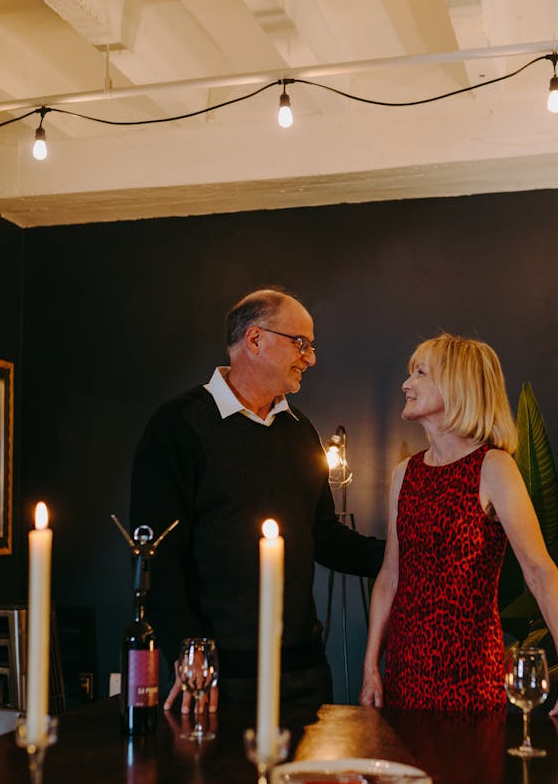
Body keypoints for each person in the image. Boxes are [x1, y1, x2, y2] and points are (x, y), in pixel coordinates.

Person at [130, 287, 384, 713]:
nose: (311, 358)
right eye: (300, 343)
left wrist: (399, 555)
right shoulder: (177, 427)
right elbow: (158, 557)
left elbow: (321, 535)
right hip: (217, 678)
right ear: (255, 339)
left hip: (303, 672)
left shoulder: (300, 431)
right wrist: (189, 656)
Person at [360, 333, 558, 727]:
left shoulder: (493, 467)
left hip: (470, 674)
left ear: (457, 384)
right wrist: (370, 667)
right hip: (403, 671)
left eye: (420, 372)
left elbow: (539, 570)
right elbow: (390, 578)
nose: (406, 384)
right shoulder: (404, 473)